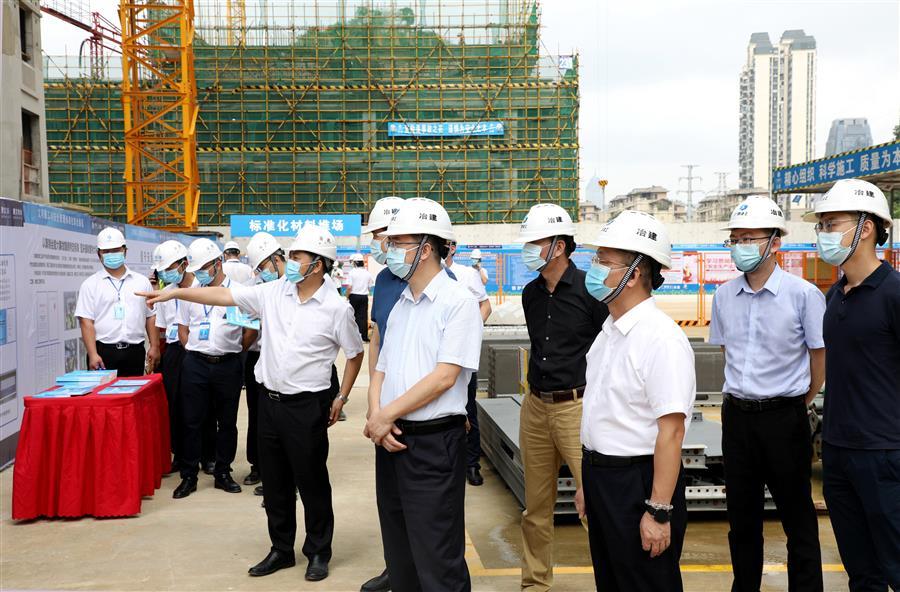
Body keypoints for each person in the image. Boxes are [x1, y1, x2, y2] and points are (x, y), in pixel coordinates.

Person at [141, 224, 364, 583]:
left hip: (307, 407)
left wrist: (341, 396)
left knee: (312, 482)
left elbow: (354, 354)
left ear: (318, 264)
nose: (290, 262)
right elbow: (223, 295)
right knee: (275, 483)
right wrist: (175, 293)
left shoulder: (337, 309)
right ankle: (281, 549)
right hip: (269, 403)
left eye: (298, 256)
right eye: (291, 255)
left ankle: (319, 551)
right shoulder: (272, 293)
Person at [365, 197, 482, 592]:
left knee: (437, 557)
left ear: (426, 249)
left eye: (398, 243)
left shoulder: (458, 302)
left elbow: (444, 377)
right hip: (391, 439)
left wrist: (384, 416)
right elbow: (381, 367)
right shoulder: (401, 304)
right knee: (400, 551)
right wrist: (377, 415)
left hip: (433, 446)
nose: (389, 250)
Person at [575, 210, 696, 592]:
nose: (594, 269)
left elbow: (671, 432)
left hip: (638, 484)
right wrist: (587, 482)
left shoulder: (661, 339)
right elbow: (602, 414)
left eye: (603, 261)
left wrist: (658, 510)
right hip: (602, 479)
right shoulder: (608, 332)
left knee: (646, 583)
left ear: (633, 274)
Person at [709, 197, 825, 592]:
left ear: (775, 242)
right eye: (735, 239)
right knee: (742, 521)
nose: (740, 246)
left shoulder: (804, 295)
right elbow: (728, 352)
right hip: (736, 419)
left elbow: (819, 358)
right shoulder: (724, 296)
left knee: (798, 519)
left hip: (784, 419)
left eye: (749, 238)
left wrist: (798, 402)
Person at [804, 178, 900, 591]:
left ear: (866, 227)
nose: (823, 234)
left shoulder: (894, 294)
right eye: (821, 225)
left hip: (884, 453)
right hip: (839, 453)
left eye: (832, 224)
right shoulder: (835, 296)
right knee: (862, 572)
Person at [516, 203, 608, 591]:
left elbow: (609, 349)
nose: (528, 249)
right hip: (536, 407)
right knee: (536, 508)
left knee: (595, 505)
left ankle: (614, 579)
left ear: (558, 246)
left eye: (534, 242)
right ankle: (535, 583)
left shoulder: (591, 291)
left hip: (577, 408)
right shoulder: (531, 294)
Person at [170, 238, 256, 499]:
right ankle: (189, 476)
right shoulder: (191, 293)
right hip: (195, 364)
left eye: (203, 268)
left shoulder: (239, 292)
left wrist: (235, 351)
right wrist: (194, 349)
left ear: (218, 263)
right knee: (192, 421)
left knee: (227, 422)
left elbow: (250, 330)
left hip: (228, 365)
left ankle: (222, 472)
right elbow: (183, 328)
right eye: (196, 270)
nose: (200, 274)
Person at [358, 195, 406, 592]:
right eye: (376, 237)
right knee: (389, 498)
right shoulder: (385, 281)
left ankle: (424, 571)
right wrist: (375, 406)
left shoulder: (444, 285)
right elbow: (377, 339)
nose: (379, 244)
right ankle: (396, 568)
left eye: (384, 236)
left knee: (423, 503)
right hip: (385, 402)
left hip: (420, 406)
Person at [75, 226, 159, 377]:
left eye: (115, 250)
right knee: (104, 392)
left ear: (125, 250)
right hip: (103, 353)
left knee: (134, 391)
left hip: (135, 351)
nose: (111, 254)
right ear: (99, 254)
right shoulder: (90, 284)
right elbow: (86, 322)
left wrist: (154, 346)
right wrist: (92, 354)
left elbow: (150, 316)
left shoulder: (141, 282)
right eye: (106, 251)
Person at [445, 240, 492, 486]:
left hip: (462, 356)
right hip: (434, 356)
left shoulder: (466, 274)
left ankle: (472, 463)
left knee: (467, 407)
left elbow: (486, 305)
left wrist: (471, 331)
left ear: (452, 247)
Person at [242, 231, 287, 488]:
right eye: (258, 268)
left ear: (276, 259)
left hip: (283, 358)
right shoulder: (254, 288)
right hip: (256, 357)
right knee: (257, 415)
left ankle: (283, 474)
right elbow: (246, 327)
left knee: (283, 417)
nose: (261, 272)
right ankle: (258, 466)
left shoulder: (294, 287)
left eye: (263, 266)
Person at [153, 240, 194, 473]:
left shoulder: (200, 289)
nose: (168, 273)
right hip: (174, 352)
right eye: (164, 270)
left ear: (184, 264)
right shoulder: (165, 294)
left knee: (199, 405)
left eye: (170, 268)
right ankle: (179, 454)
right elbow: (161, 327)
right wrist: (157, 352)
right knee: (175, 405)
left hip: (196, 350)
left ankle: (206, 454)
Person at [347, 253, 374, 342]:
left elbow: (349, 287)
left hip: (354, 296)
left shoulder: (351, 272)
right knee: (363, 317)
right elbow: (370, 287)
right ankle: (364, 337)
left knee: (352, 316)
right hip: (364, 297)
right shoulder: (367, 273)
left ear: (355, 262)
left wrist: (347, 297)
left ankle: (352, 337)